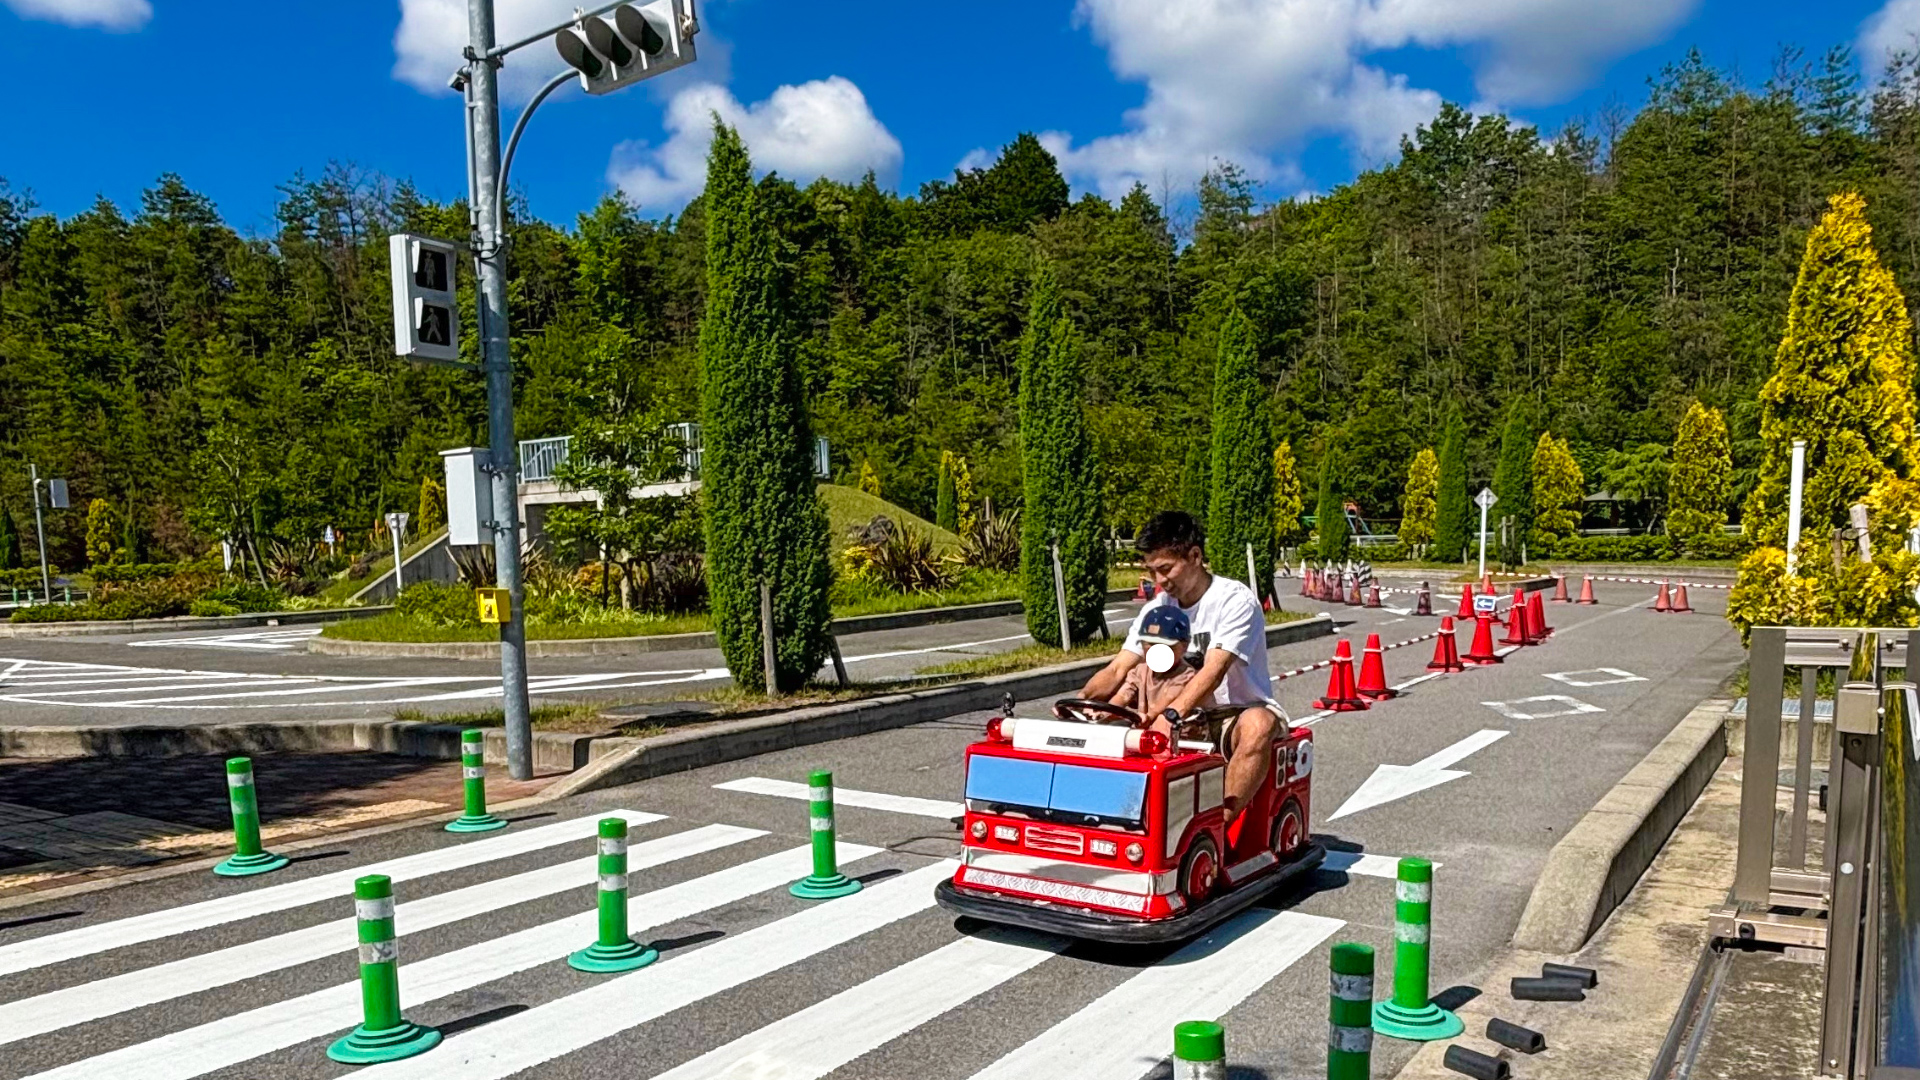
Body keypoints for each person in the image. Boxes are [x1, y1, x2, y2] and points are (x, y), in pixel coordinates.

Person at [1078, 510, 1284, 826]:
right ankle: (1114, 822)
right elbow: (1118, 669)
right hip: (1173, 712)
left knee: (1259, 724)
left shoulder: (1235, 601)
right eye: (1151, 571)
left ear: (1195, 556)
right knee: (1101, 729)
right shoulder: (1157, 609)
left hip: (1231, 713)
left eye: (1165, 569)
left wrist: (1171, 716)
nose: (1159, 581)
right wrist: (1082, 704)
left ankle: (1216, 828)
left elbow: (1213, 673)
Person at [1106, 605, 1197, 721]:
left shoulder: (1186, 675)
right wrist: (1107, 712)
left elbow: (1169, 698)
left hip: (1178, 734)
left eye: (1166, 646)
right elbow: (1123, 695)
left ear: (1184, 646)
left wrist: (1149, 716)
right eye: (1150, 644)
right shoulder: (1140, 672)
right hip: (1146, 732)